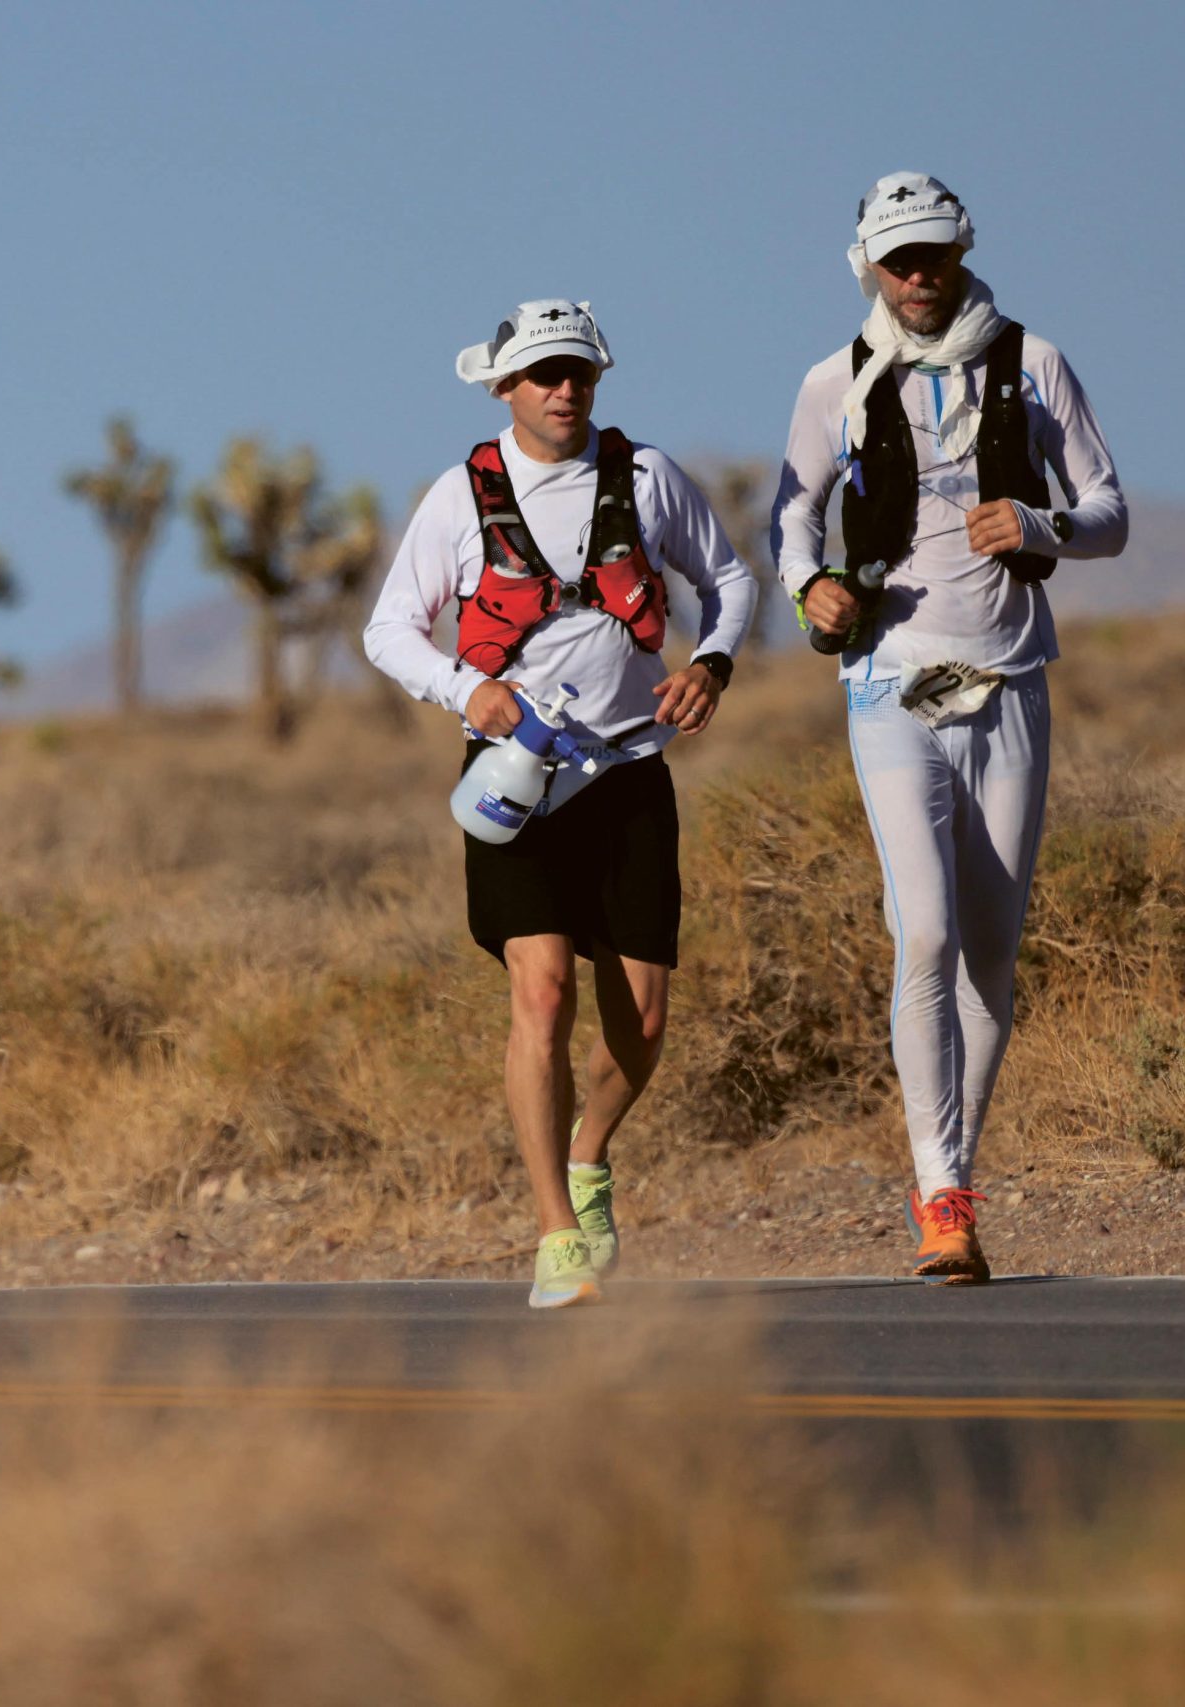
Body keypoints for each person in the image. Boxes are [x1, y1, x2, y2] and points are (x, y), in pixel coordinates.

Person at [771, 174, 1127, 1283]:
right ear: (866, 266)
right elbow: (789, 511)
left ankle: (953, 1172)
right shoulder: (835, 381)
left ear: (961, 249)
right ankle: (942, 1198)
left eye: (932, 252)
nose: (917, 274)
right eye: (897, 257)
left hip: (1007, 675)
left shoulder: (1033, 363)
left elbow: (1109, 512)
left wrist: (1038, 522)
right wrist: (806, 587)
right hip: (893, 684)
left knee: (988, 953)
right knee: (921, 935)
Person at [366, 300, 756, 1308]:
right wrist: (467, 689)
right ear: (504, 387)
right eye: (541, 373)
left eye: (577, 370)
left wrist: (710, 663)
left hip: (629, 771)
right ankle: (554, 1233)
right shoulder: (460, 496)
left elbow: (728, 580)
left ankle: (589, 1158)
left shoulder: (648, 480)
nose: (562, 388)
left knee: (645, 1017)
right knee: (539, 991)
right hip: (515, 777)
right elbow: (389, 629)